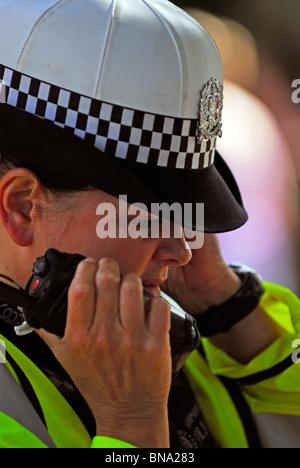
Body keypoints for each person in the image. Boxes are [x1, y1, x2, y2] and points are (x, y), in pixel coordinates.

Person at [0, 0, 299, 449]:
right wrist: (131, 422)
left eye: (183, 213)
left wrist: (228, 307)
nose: (183, 250)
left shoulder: (174, 321)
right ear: (23, 207)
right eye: (147, 216)